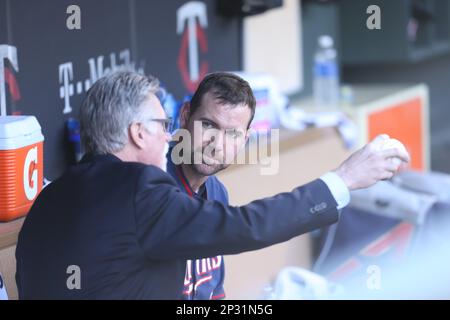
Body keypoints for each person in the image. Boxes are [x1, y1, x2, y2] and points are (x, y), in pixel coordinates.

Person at [15, 71, 409, 299]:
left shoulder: (52, 195)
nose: (171, 137)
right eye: (164, 126)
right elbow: (248, 227)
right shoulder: (143, 191)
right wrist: (342, 181)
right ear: (138, 133)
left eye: (235, 134)